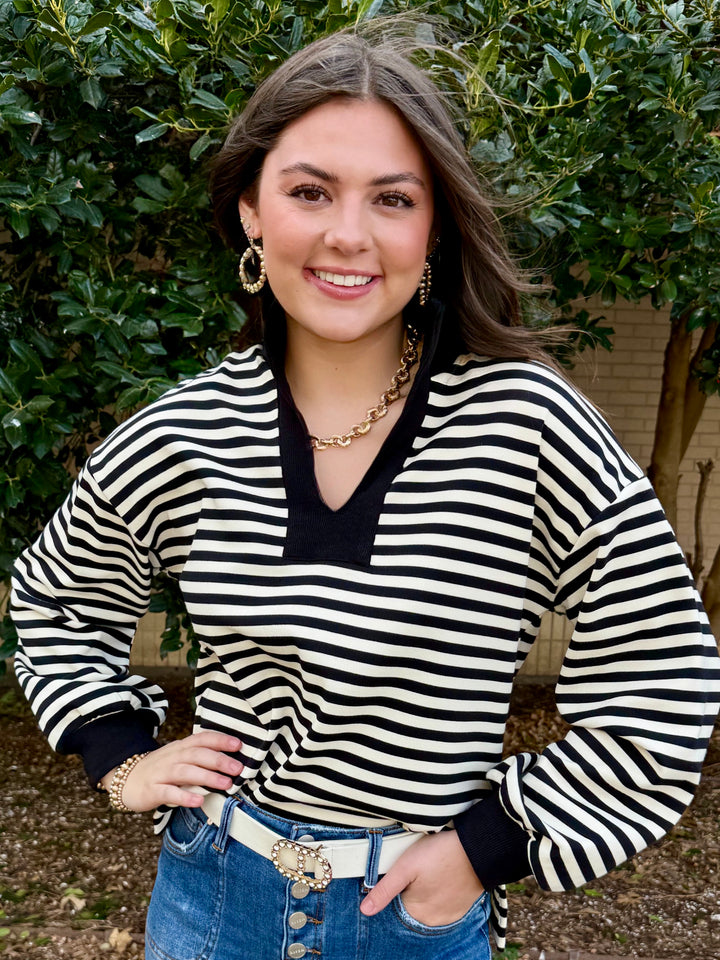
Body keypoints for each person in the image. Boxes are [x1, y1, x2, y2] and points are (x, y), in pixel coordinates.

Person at [10, 21, 720, 960]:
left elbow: (662, 676)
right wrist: (119, 757)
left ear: (435, 227)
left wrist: (484, 848)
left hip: (413, 919)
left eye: (393, 197)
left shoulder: (525, 424)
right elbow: (54, 600)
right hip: (210, 903)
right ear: (252, 213)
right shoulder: (182, 434)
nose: (349, 234)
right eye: (309, 191)